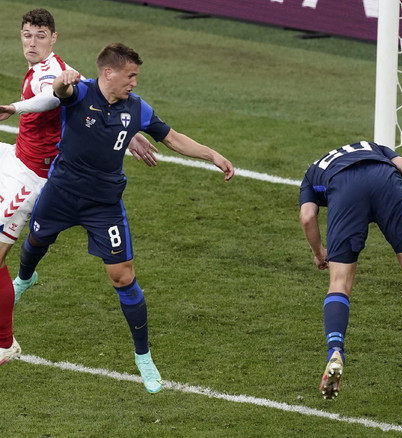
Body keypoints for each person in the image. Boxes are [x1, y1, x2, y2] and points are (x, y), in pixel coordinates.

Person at [11, 42, 234, 393]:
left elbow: (172, 138)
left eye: (136, 76)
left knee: (122, 277)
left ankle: (143, 356)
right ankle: (24, 279)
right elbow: (59, 92)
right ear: (108, 72)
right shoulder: (80, 92)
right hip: (61, 193)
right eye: (130, 76)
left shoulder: (137, 109)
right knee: (36, 241)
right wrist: (62, 82)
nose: (134, 82)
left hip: (104, 205)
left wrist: (213, 155)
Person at [0, 9, 157, 369]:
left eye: (40, 36)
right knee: (34, 244)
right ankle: (25, 278)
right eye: (27, 35)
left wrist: (13, 107)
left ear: (53, 38)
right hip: (15, 155)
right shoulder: (53, 67)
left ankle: (5, 342)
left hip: (32, 176)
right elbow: (95, 92)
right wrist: (127, 130)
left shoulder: (51, 73)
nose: (32, 42)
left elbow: (51, 98)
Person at [298, 140, 402, 399]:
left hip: (344, 189)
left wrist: (318, 253)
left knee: (339, 283)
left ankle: (335, 352)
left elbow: (307, 216)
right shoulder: (370, 145)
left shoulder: (311, 174)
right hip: (384, 179)